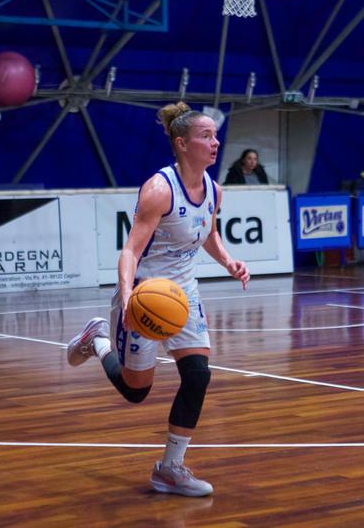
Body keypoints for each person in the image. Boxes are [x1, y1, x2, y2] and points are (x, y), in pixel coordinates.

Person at [66, 102, 250, 497]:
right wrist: (128, 296)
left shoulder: (214, 190)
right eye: (206, 136)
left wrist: (230, 261)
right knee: (136, 391)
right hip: (146, 294)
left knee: (198, 375)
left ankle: (170, 468)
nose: (215, 142)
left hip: (182, 295)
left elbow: (208, 234)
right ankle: (98, 339)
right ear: (182, 143)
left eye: (215, 136)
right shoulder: (158, 189)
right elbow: (130, 250)